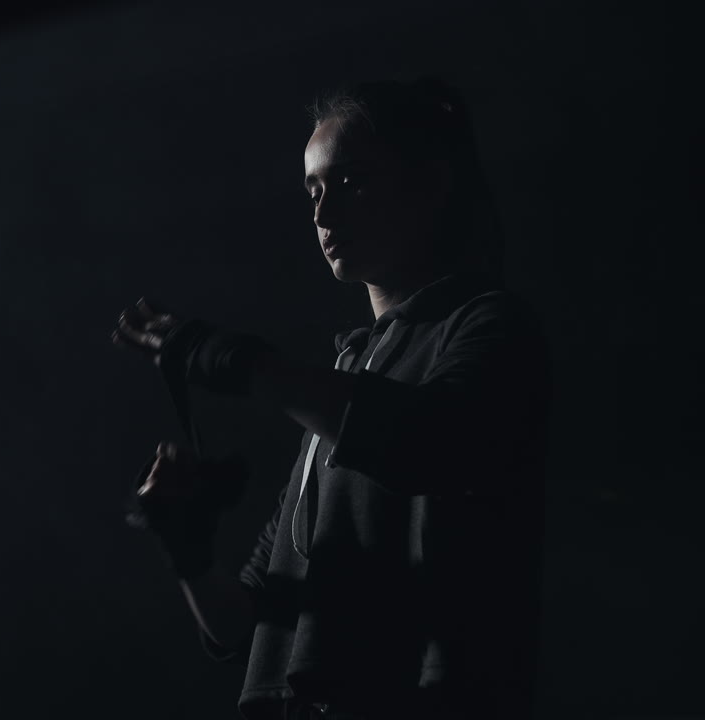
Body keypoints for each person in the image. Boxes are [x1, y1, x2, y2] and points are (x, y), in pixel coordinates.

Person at [111, 77, 552, 720]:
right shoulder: (343, 379)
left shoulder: (488, 325)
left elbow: (429, 443)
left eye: (350, 182)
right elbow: (245, 628)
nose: (322, 214)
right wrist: (187, 547)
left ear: (431, 183)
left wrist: (240, 362)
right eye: (314, 190)